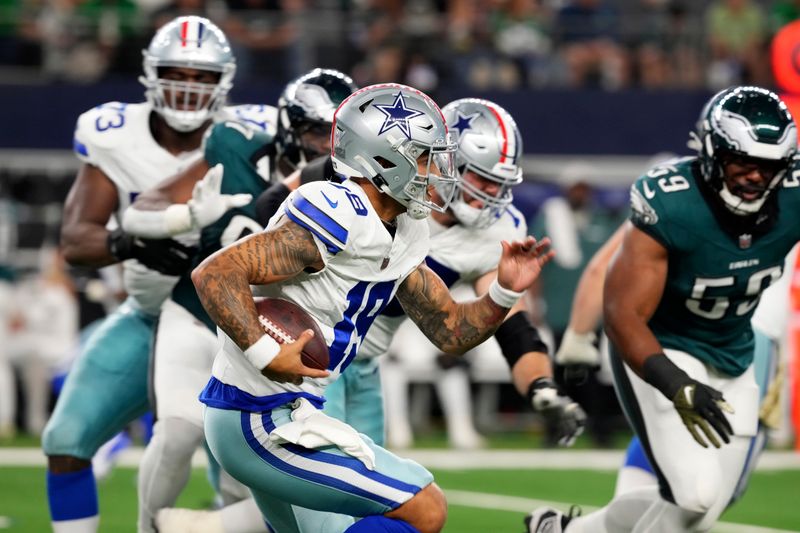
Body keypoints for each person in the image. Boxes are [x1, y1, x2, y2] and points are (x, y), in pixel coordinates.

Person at [153, 96, 586, 533]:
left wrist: (504, 290)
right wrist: (265, 350)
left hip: (296, 406)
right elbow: (216, 272)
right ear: (384, 158)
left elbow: (450, 329)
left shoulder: (407, 228)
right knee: (423, 507)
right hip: (258, 414)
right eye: (424, 158)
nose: (438, 174)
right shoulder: (336, 208)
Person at [527, 85, 799, 533]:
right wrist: (675, 382)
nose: (755, 177)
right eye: (743, 162)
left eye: (768, 166)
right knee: (693, 496)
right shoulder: (672, 201)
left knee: (705, 509)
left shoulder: (793, 192)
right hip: (664, 344)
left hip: (735, 351)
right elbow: (621, 313)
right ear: (712, 154)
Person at [40, 16, 268, 533]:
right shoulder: (115, 134)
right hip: (146, 314)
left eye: (201, 77)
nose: (187, 87)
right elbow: (76, 242)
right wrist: (133, 240)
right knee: (66, 440)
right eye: (176, 73)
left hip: (226, 323)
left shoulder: (251, 134)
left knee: (238, 477)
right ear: (150, 74)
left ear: (223, 83)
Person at [121, 68, 358, 533]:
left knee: (252, 472)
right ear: (288, 128)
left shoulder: (348, 191)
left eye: (337, 136)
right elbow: (141, 209)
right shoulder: (236, 141)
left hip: (274, 329)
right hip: (196, 312)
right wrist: (183, 217)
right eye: (316, 133)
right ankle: (147, 528)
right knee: (176, 433)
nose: (326, 148)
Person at [549, 218, 791, 511]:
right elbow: (610, 263)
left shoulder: (689, 189)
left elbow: (603, 265)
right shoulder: (682, 194)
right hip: (745, 333)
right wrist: (578, 334)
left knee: (680, 454)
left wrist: (578, 334)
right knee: (710, 495)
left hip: (690, 331)